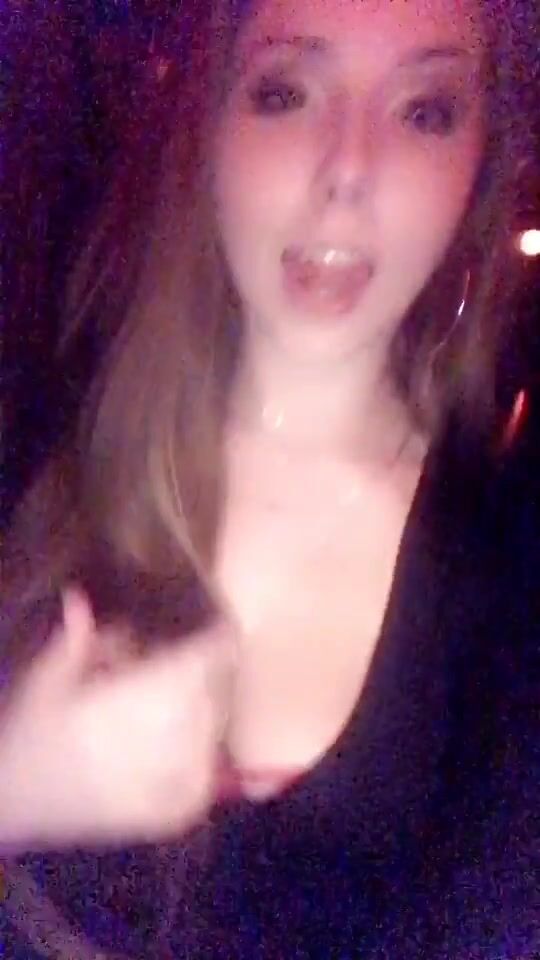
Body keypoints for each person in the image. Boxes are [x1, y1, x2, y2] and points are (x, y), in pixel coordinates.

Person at [0, 0, 538, 956]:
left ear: (478, 166)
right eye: (287, 92)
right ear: (208, 128)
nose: (349, 169)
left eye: (424, 111)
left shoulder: (507, 570)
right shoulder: (35, 426)